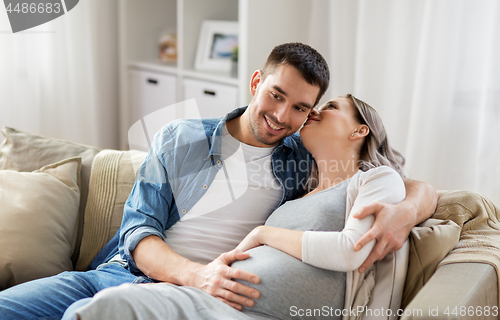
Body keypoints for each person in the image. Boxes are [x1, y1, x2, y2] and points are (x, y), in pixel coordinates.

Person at [0, 43, 437, 320]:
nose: (281, 116)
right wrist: (197, 275)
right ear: (255, 83)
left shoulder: (305, 162)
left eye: (301, 108)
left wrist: (404, 211)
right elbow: (138, 231)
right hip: (118, 275)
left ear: (310, 114)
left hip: (197, 303)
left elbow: (402, 180)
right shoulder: (181, 138)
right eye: (276, 95)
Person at [64, 94, 407, 320]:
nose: (314, 111)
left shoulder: (374, 179)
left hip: (247, 310)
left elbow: (351, 251)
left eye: (330, 106)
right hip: (216, 300)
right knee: (92, 309)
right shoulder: (300, 185)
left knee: (109, 308)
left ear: (360, 129)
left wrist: (263, 233)